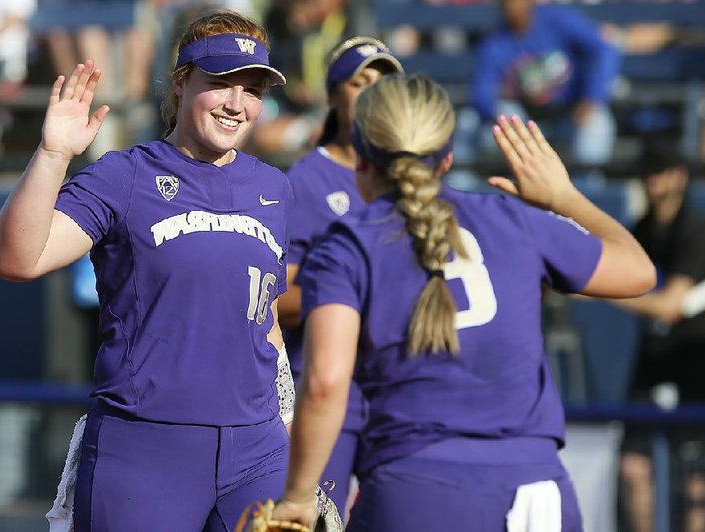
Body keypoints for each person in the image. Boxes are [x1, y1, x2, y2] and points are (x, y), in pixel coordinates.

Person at [271, 73, 656, 530]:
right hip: (538, 492)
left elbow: (325, 383)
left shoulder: (348, 245)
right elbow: (639, 271)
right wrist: (564, 197)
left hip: (420, 489)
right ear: (448, 157)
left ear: (359, 157)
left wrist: (297, 496)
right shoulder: (513, 220)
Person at [0, 10, 298, 531]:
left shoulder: (276, 189)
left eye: (252, 89)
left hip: (257, 448)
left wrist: (288, 424)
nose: (237, 104)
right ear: (181, 84)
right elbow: (17, 260)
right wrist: (52, 154)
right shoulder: (126, 174)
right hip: (147, 445)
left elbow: (263, 318)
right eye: (221, 83)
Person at [277, 35, 402, 519]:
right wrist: (352, 298)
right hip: (331, 391)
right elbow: (275, 297)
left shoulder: (414, 178)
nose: (373, 93)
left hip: (399, 391)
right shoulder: (307, 180)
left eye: (385, 83)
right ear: (332, 95)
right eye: (359, 81)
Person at [612, 141, 705, 532]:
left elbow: (671, 305)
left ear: (679, 178)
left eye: (661, 172)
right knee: (633, 468)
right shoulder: (641, 232)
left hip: (694, 360)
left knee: (696, 479)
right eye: (648, 173)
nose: (653, 182)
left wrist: (603, 291)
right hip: (652, 358)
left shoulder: (696, 229)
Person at [469, 0, 620, 166]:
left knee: (596, 122)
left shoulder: (558, 20)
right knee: (468, 123)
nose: (513, 6)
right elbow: (482, 95)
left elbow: (604, 50)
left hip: (569, 113)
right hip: (525, 121)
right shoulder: (495, 42)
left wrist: (591, 97)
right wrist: (497, 111)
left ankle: (590, 187)